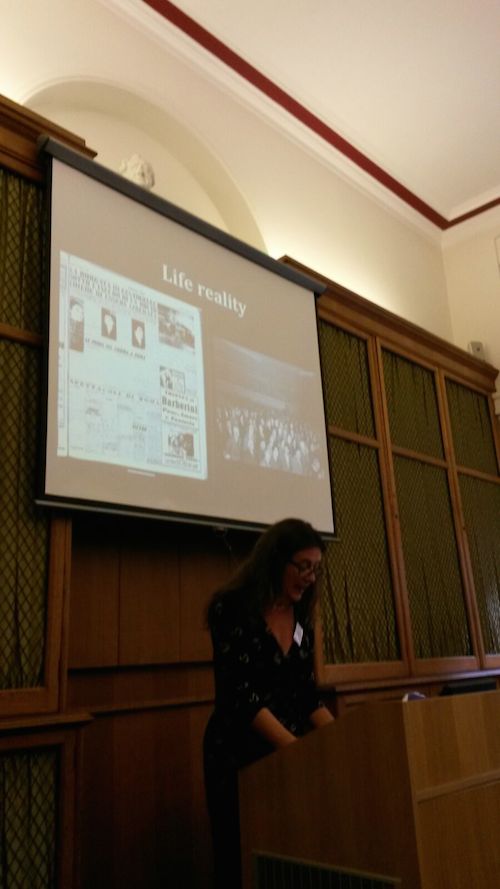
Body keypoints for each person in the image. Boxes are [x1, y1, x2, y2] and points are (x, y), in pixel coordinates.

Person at [203, 517, 334, 889]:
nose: (310, 577)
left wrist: (341, 739)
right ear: (276, 560)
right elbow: (241, 695)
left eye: (316, 569)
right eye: (303, 566)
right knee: (241, 861)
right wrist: (296, 749)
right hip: (238, 754)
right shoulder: (231, 608)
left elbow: (305, 694)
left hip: (289, 755)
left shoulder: (302, 616)